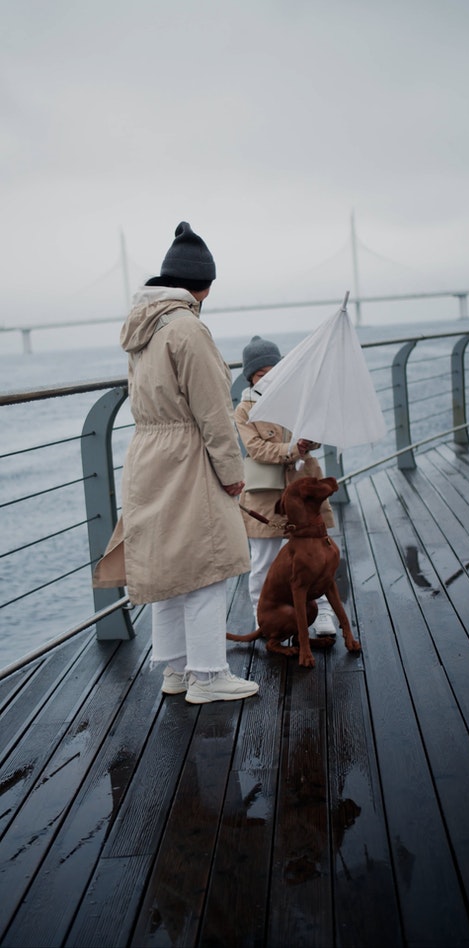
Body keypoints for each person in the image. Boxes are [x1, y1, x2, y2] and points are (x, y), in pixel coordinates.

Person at [93, 222, 258, 705]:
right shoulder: (188, 327)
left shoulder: (143, 326)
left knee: (168, 568)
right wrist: (233, 475)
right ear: (202, 285)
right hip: (188, 456)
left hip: (148, 451)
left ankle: (176, 671)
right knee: (207, 566)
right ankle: (208, 676)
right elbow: (214, 413)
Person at [234, 335, 338, 635]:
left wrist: (308, 441)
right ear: (251, 377)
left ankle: (321, 614)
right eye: (260, 374)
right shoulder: (244, 411)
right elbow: (256, 449)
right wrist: (294, 448)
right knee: (264, 559)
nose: (268, 378)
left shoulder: (299, 398)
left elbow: (316, 431)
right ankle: (262, 614)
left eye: (273, 371)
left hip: (304, 489)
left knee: (318, 555)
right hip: (266, 494)